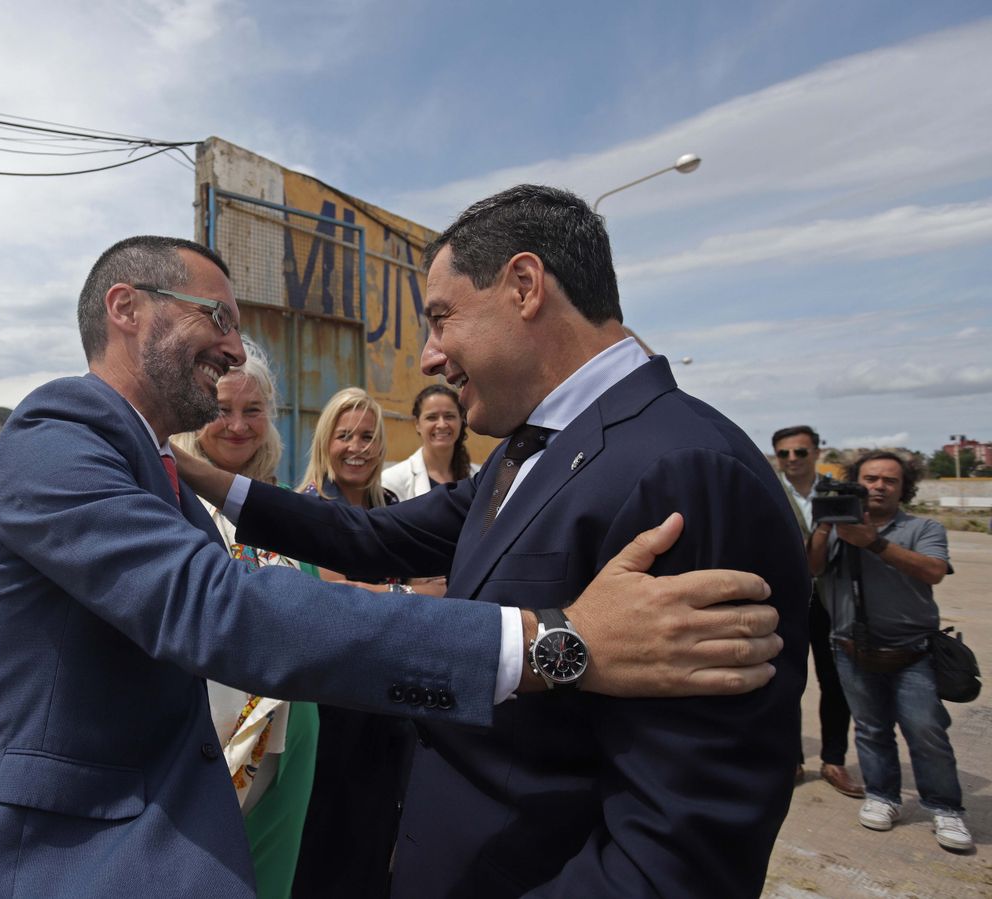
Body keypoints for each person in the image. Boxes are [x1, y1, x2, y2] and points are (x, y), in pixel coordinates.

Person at [0, 234, 784, 899]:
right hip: (56, 863)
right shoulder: (56, 433)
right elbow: (226, 610)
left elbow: (368, 542)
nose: (232, 346)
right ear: (126, 307)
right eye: (216, 316)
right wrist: (559, 641)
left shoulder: (670, 464)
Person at [180, 185, 809, 898]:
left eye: (442, 319)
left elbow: (680, 846)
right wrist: (201, 475)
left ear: (524, 285)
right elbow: (370, 535)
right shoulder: (523, 453)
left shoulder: (685, 470)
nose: (430, 357)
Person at [169, 340, 319, 899]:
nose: (236, 425)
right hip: (203, 742)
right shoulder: (169, 498)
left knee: (269, 880)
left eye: (251, 411)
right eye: (221, 410)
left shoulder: (278, 503)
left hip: (291, 741)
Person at [808, 451, 972, 852]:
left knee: (926, 731)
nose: (879, 486)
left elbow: (933, 570)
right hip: (849, 648)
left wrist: (875, 543)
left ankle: (944, 807)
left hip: (912, 651)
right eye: (870, 479)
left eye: (889, 481)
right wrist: (824, 528)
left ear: (903, 488)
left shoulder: (922, 527)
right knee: (870, 729)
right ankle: (882, 796)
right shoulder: (837, 530)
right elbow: (811, 569)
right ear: (856, 483)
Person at [289, 387, 412, 898]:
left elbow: (438, 591)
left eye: (367, 436)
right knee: (319, 848)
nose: (356, 447)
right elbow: (333, 599)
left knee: (374, 845)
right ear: (325, 442)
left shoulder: (394, 507)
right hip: (325, 709)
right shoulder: (304, 509)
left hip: (387, 708)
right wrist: (403, 594)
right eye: (345, 436)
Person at [772, 424, 862, 798]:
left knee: (836, 680)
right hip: (787, 601)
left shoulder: (840, 492)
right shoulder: (767, 487)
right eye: (785, 453)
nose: (793, 459)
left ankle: (834, 759)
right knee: (786, 681)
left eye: (801, 452)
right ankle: (791, 758)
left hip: (833, 601)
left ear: (816, 453)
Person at [382, 383, 477, 501]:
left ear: (461, 420)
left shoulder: (479, 477)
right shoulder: (392, 481)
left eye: (449, 416)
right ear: (417, 424)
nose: (442, 425)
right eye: (432, 417)